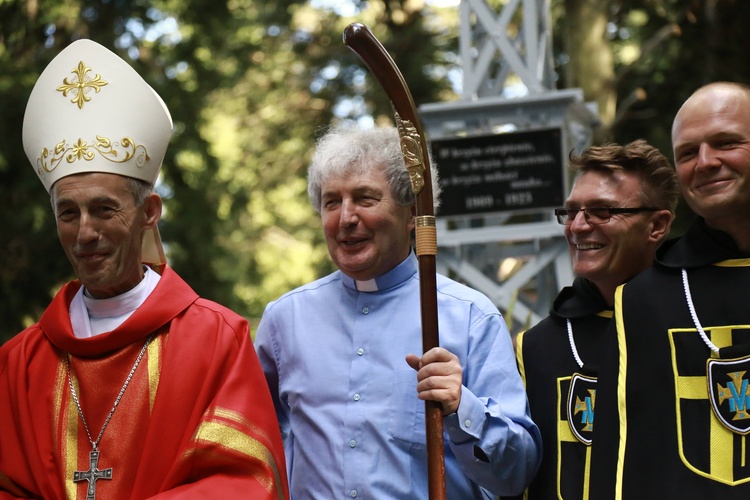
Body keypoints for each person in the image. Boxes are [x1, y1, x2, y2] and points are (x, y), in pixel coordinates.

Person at [0, 39, 288, 499]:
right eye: (68, 213)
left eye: (104, 209)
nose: (84, 233)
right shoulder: (19, 363)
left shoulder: (215, 339)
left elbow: (248, 480)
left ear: (149, 211)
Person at [254, 124, 542, 499]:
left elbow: (517, 474)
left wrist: (461, 408)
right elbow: (251, 448)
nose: (345, 218)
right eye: (331, 202)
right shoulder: (284, 321)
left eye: (365, 198)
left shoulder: (470, 317)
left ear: (412, 214)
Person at [589, 82, 750, 498]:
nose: (706, 162)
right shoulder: (643, 299)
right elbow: (620, 460)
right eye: (687, 153)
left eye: (726, 142)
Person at [510, 141, 678, 500]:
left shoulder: (692, 323)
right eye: (571, 212)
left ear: (657, 225)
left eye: (602, 211)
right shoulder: (535, 347)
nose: (579, 227)